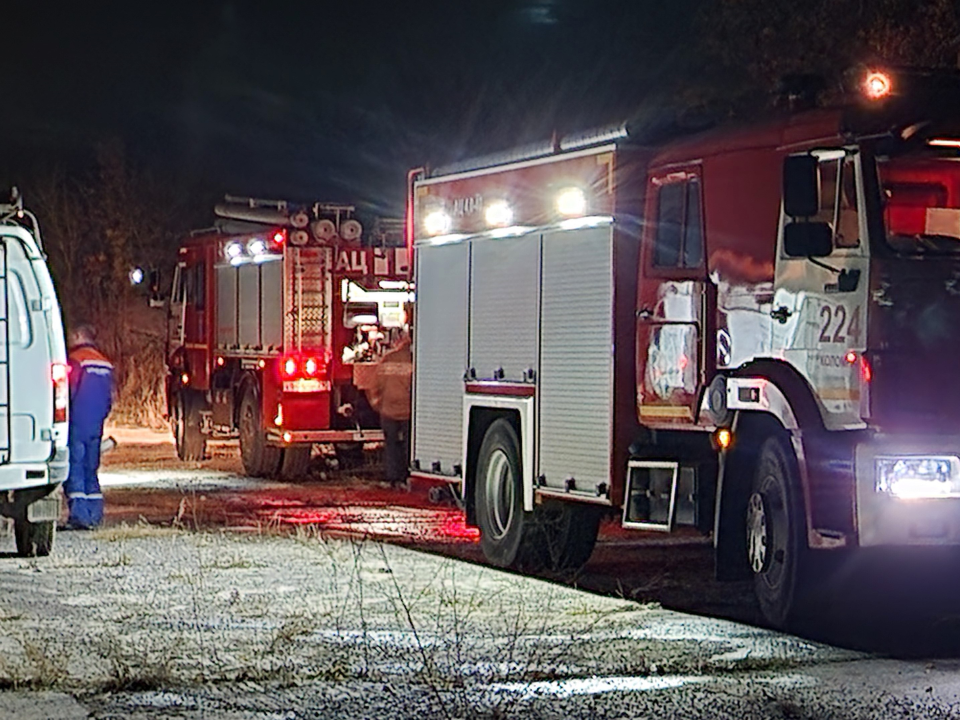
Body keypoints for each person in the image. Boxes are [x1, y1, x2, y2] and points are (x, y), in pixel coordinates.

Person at [63, 324, 114, 529]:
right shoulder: (105, 363)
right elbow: (110, 398)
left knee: (75, 468)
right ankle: (95, 514)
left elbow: (69, 392)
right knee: (91, 469)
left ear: (78, 336)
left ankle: (79, 516)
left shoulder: (76, 361)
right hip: (96, 425)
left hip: (77, 422)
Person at [366, 329, 412, 487]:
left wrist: (377, 405)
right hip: (408, 412)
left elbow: (375, 386)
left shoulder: (387, 359)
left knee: (391, 445)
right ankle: (407, 475)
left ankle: (393, 477)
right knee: (408, 446)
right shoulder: (415, 361)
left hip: (388, 411)